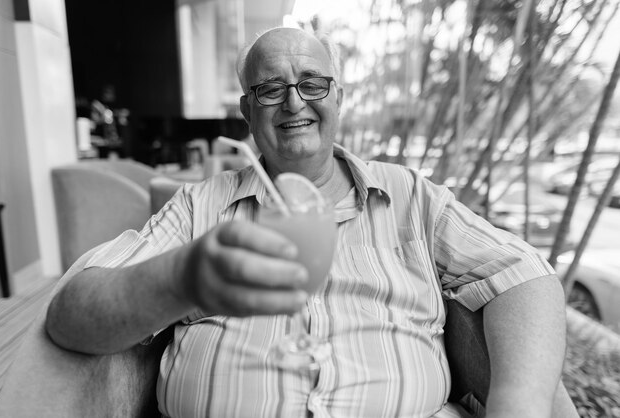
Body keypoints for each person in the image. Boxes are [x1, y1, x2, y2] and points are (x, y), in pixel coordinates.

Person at [46, 27, 571, 418]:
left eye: (312, 83)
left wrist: (518, 405)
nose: (294, 101)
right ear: (247, 113)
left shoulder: (411, 196)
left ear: (338, 96)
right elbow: (72, 313)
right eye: (270, 89)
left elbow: (523, 272)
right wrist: (187, 276)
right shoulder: (197, 207)